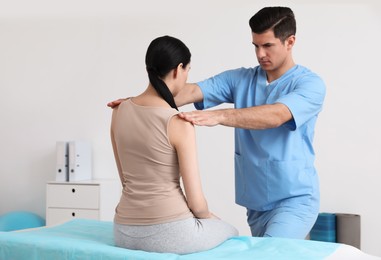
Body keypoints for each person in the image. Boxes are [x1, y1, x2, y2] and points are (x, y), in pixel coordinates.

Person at [109, 6, 326, 239]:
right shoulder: (241, 78)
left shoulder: (310, 85)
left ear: (290, 42)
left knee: (269, 254)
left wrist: (220, 116)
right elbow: (190, 91)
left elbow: (276, 115)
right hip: (256, 203)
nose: (260, 54)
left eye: (268, 46)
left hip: (294, 199)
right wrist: (142, 103)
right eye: (256, 46)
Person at [110, 35, 238, 255]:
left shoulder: (118, 111)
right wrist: (212, 221)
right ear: (178, 69)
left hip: (123, 231)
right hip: (170, 233)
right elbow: (197, 205)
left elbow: (125, 180)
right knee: (232, 231)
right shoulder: (178, 122)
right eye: (188, 70)